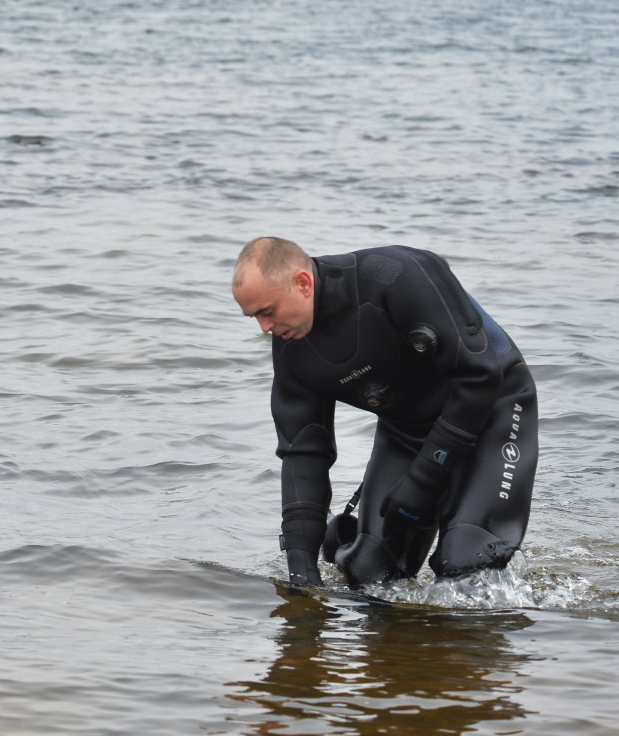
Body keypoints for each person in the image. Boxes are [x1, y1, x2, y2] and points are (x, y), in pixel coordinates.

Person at [231, 238, 538, 588]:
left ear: (302, 283)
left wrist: (425, 478)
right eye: (253, 316)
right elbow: (303, 453)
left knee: (466, 563)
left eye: (267, 311)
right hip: (407, 431)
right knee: (369, 575)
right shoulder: (292, 350)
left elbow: (479, 376)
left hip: (493, 409)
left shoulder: (393, 274)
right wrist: (301, 569)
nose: (264, 328)